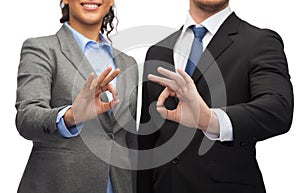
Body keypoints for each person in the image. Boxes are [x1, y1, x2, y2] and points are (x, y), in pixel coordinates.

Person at [138, 0, 294, 193]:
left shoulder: (259, 41)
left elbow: (277, 109)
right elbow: (147, 138)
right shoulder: (158, 51)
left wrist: (210, 120)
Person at [15, 0, 138, 192]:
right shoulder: (42, 49)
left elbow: (129, 140)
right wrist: (72, 116)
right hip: (59, 184)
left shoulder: (128, 63)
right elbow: (26, 118)